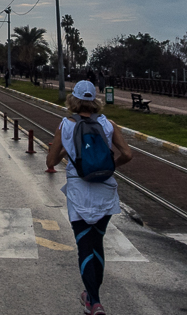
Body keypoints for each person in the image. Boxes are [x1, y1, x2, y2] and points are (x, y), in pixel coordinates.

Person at [45, 81, 133, 315]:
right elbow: (127, 154)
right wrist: (110, 166)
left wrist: (66, 148)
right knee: (97, 244)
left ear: (73, 100)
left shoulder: (65, 125)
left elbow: (50, 162)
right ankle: (93, 298)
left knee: (84, 246)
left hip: (79, 193)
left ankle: (94, 301)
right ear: (96, 100)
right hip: (105, 191)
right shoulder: (108, 124)